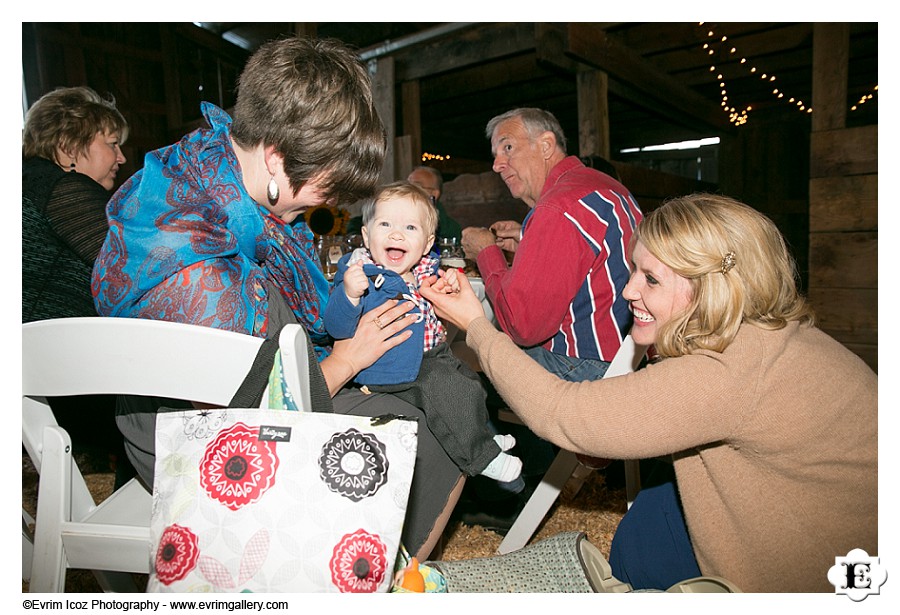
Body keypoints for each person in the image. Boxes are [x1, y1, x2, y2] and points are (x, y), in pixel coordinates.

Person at [91, 36, 463, 560]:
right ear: (275, 156)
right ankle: (372, 579)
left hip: (215, 403)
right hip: (199, 445)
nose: (328, 203)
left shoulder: (202, 174)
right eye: (325, 187)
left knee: (431, 391)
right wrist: (348, 358)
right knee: (434, 431)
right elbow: (247, 415)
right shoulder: (198, 267)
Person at [420, 193, 877, 593]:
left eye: (651, 279)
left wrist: (477, 328)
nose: (628, 290)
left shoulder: (729, 370)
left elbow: (563, 414)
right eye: (634, 270)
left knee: (638, 553)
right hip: (830, 525)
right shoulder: (763, 334)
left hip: (822, 576)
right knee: (646, 524)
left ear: (714, 289)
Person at [324, 181, 522, 484]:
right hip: (395, 370)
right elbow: (336, 327)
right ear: (366, 235)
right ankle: (481, 458)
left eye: (410, 228)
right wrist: (350, 295)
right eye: (385, 224)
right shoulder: (360, 274)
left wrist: (442, 292)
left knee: (470, 383)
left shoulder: (423, 273)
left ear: (427, 243)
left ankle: (480, 437)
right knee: (446, 391)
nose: (396, 234)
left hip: (433, 355)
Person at [22, 85, 128, 322]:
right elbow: (131, 267)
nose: (122, 157)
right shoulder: (61, 188)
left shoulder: (28, 181)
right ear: (68, 145)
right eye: (112, 143)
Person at [407, 165, 462, 245]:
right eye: (407, 185)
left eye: (416, 186)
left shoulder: (450, 229)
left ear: (434, 194)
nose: (408, 190)